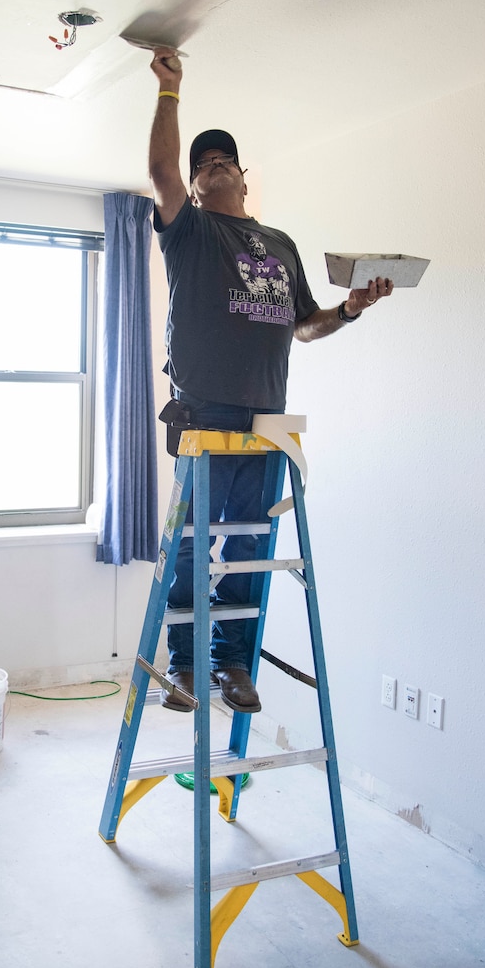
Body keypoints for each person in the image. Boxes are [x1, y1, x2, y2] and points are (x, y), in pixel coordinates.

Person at [149, 47, 393, 714]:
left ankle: (230, 666)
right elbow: (159, 170)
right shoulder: (191, 232)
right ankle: (185, 666)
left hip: (268, 417)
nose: (212, 163)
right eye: (202, 163)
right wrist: (170, 91)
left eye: (223, 157)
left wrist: (348, 309)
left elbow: (303, 325)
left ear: (244, 177)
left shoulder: (279, 244)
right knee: (197, 541)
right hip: (204, 413)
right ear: (194, 188)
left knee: (252, 546)